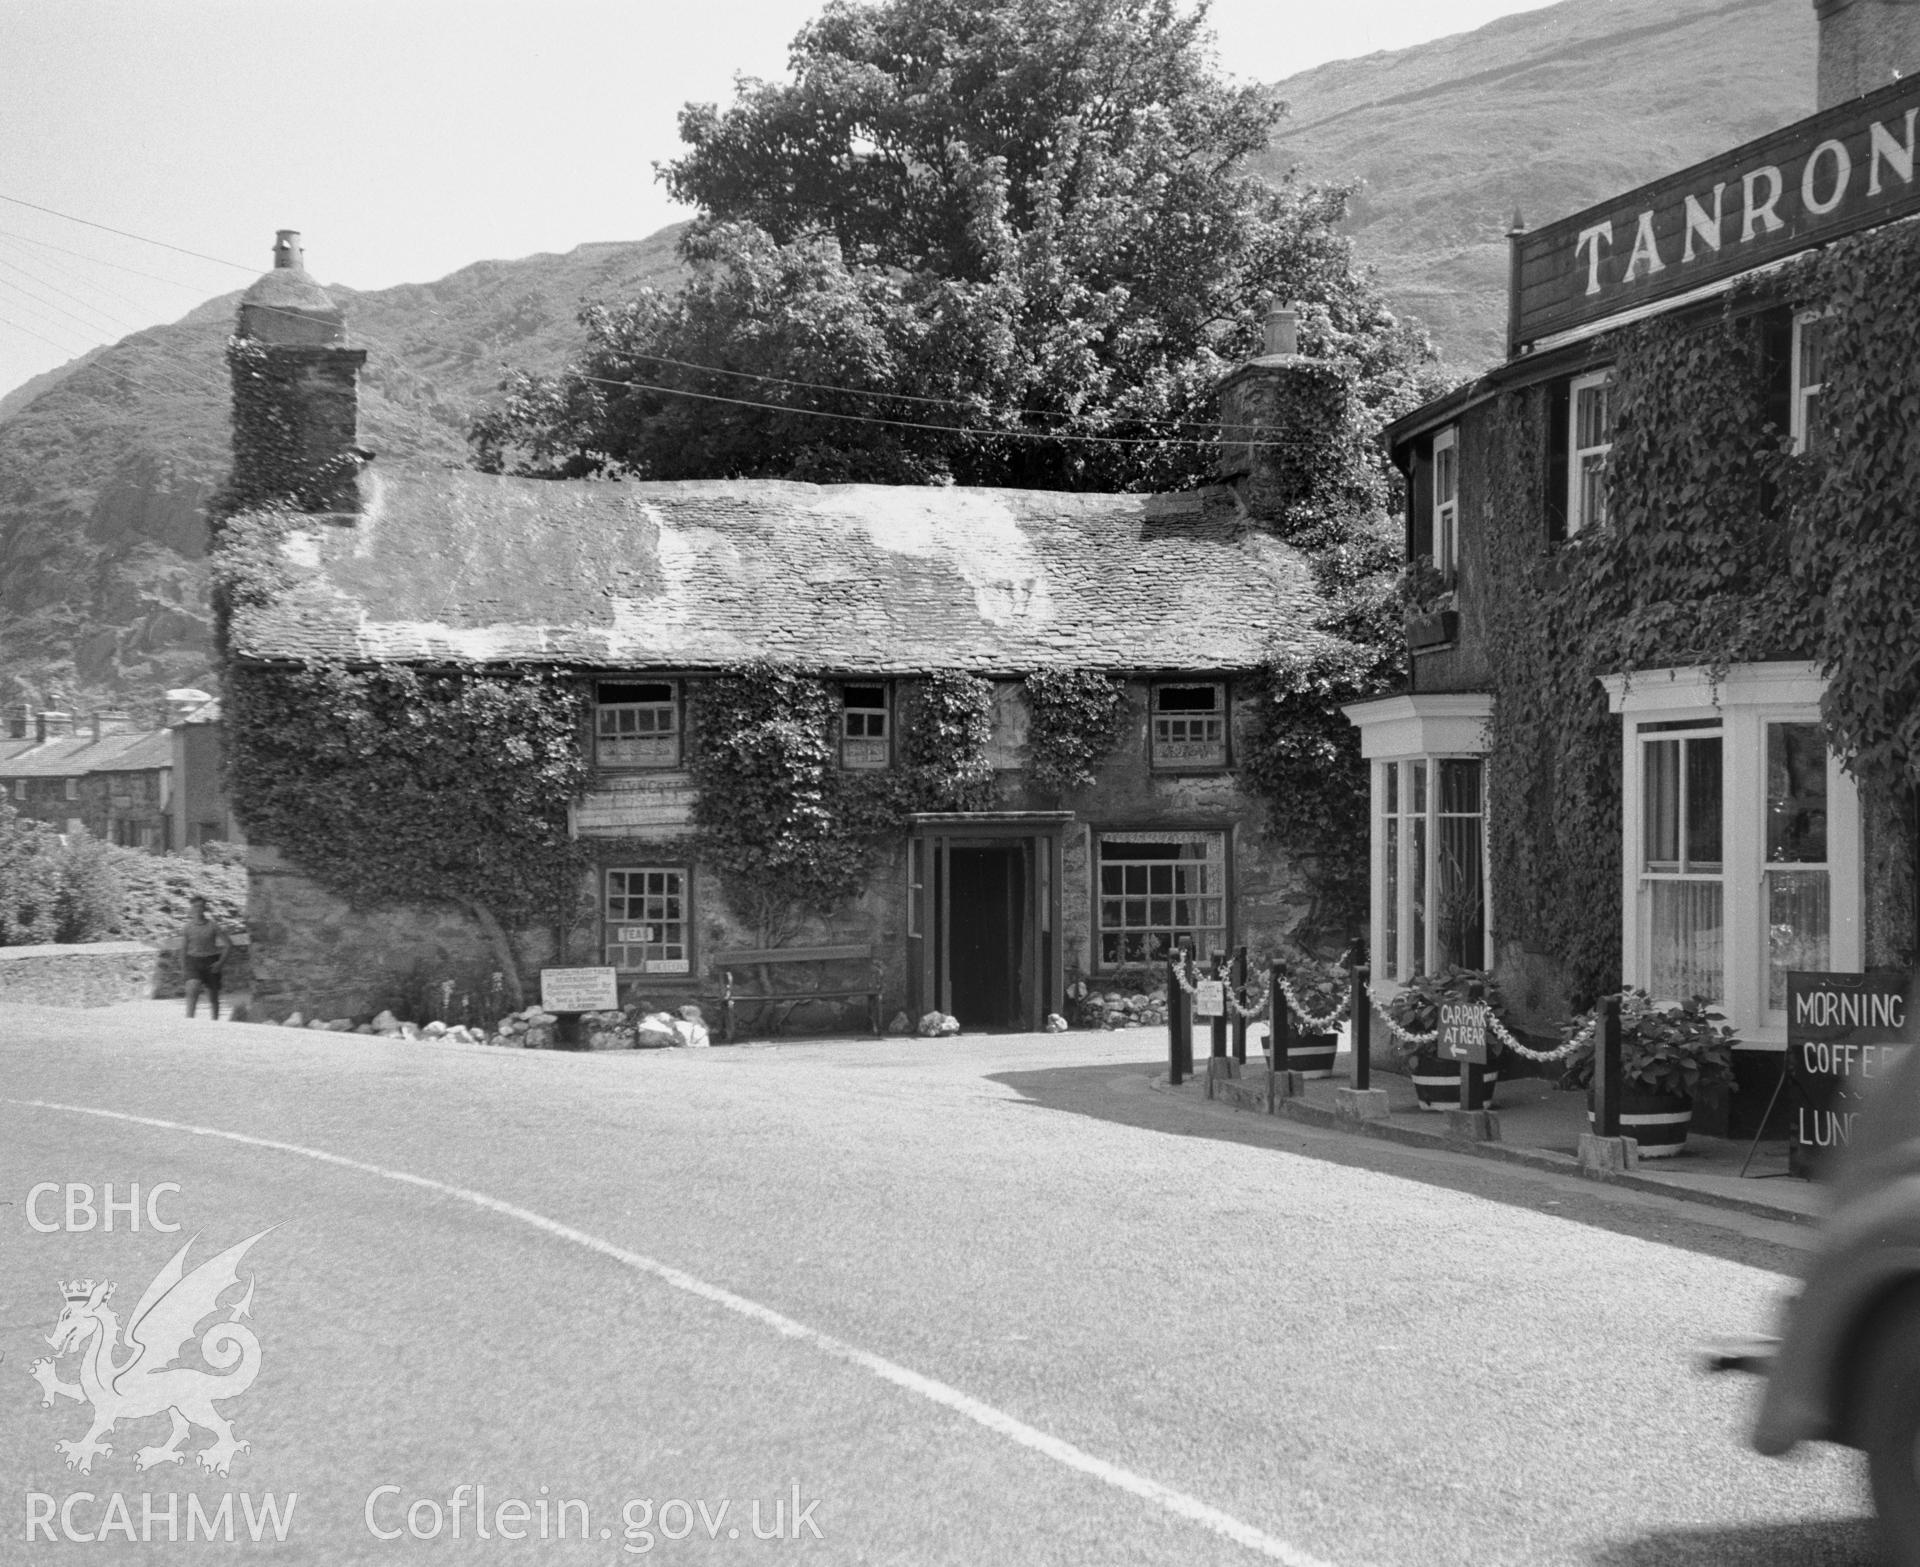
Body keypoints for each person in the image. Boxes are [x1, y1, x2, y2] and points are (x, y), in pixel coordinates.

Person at [181, 896, 233, 1020]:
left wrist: (220, 963)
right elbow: (183, 949)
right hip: (193, 962)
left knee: (213, 997)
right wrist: (183, 968)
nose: (198, 909)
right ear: (192, 909)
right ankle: (189, 1021)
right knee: (192, 989)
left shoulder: (213, 925)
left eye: (201, 906)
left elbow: (228, 945)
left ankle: (215, 1023)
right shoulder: (187, 927)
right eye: (195, 906)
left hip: (211, 961)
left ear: (205, 908)